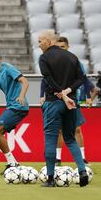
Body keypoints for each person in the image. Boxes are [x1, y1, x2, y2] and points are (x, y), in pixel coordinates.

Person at [37, 30, 88, 187]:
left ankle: (51, 179)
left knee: (51, 139)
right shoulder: (72, 57)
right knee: (70, 138)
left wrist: (61, 94)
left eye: (40, 41)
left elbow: (48, 79)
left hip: (54, 103)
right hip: (71, 103)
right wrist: (67, 92)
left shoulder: (44, 58)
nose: (38, 45)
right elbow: (82, 78)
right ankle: (82, 171)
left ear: (49, 41)